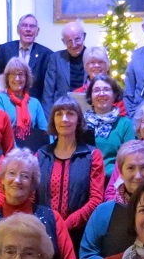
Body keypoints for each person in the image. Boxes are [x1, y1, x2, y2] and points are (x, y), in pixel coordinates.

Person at [37, 96, 105, 248]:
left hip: (79, 234)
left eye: (70, 114)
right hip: (43, 232)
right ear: (53, 120)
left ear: (79, 120)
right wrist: (45, 224)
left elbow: (96, 200)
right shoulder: (40, 155)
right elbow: (32, 198)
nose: (64, 119)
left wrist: (66, 225)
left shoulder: (93, 156)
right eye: (59, 114)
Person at [84, 73, 135, 179]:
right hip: (84, 180)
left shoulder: (125, 124)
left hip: (113, 181)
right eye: (96, 90)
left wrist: (103, 174)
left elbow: (129, 158)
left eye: (106, 89)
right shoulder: (81, 123)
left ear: (115, 94)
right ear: (90, 96)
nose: (101, 94)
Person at [0, 14, 53, 102]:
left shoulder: (47, 55)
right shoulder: (4, 49)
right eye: (24, 26)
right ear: (18, 30)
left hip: (33, 105)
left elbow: (48, 88)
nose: (28, 29)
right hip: (7, 102)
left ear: (37, 31)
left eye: (32, 26)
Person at [0, 57, 48, 141]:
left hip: (31, 149)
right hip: (7, 149)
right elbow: (0, 130)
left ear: (26, 77)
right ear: (7, 77)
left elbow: (45, 131)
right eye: (13, 74)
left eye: (21, 74)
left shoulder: (35, 103)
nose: (17, 78)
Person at [43, 20, 87, 116]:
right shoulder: (55, 59)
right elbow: (48, 94)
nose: (74, 44)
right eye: (69, 41)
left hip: (87, 115)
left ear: (84, 36)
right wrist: (50, 123)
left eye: (77, 39)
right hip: (62, 115)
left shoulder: (92, 58)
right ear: (64, 42)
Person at [74, 47, 127, 115]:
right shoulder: (77, 93)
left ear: (107, 65)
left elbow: (122, 116)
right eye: (92, 62)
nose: (96, 65)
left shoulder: (114, 90)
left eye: (100, 62)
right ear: (86, 66)